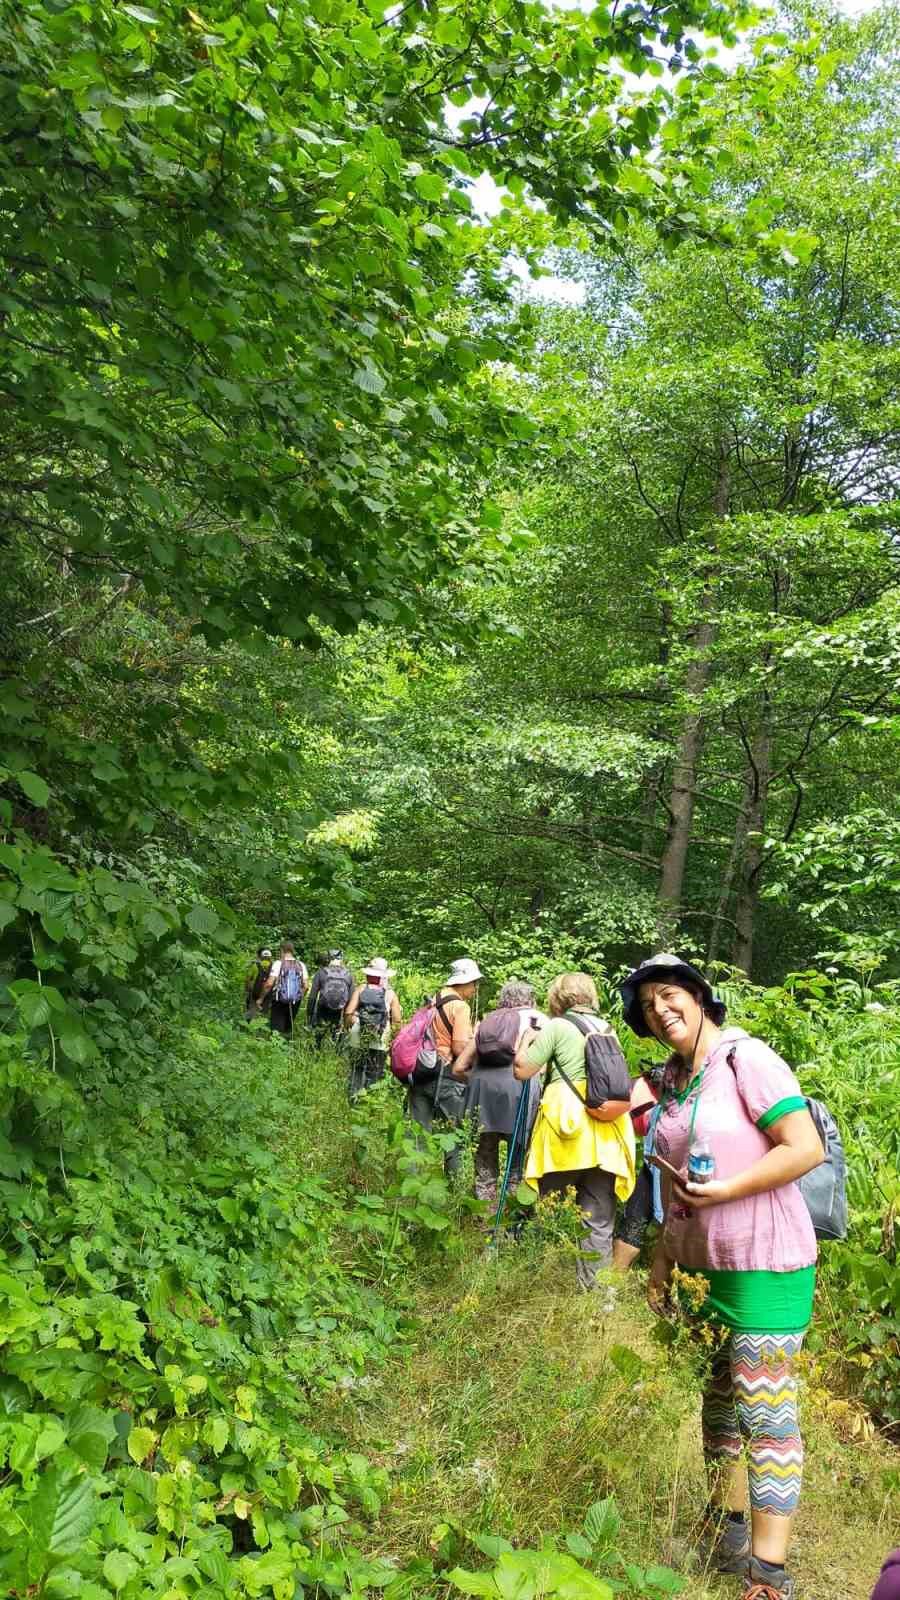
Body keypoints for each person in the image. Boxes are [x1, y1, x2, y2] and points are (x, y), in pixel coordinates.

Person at [619, 953, 825, 1600]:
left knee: (765, 1414)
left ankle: (768, 1575)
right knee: (718, 1411)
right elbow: (673, 1185)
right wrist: (661, 1261)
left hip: (765, 1266)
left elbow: (804, 1146)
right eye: (648, 1005)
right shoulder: (676, 1080)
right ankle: (724, 1528)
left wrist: (732, 1187)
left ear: (700, 995)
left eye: (669, 994)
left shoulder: (747, 1059)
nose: (660, 1009)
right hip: (702, 1273)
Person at [514, 972, 635, 1288]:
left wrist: (524, 1043)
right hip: (606, 1131)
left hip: (565, 1131)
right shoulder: (608, 1030)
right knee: (598, 1221)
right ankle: (595, 1294)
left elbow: (524, 1070)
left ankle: (535, 1282)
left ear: (558, 997)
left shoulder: (556, 1026)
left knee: (547, 1208)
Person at [452, 979, 548, 1219]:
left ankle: (484, 1217)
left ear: (504, 999)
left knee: (485, 1160)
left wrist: (479, 1081)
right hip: (521, 1093)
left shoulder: (490, 1021)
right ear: (531, 999)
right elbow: (546, 1068)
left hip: (483, 1094)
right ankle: (514, 1220)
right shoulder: (539, 1020)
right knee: (519, 1162)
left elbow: (459, 1067)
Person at [407, 957, 481, 1177]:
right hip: (446, 1076)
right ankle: (454, 1184)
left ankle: (411, 1183)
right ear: (464, 982)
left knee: (418, 1133)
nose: (475, 988)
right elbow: (458, 1047)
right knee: (454, 1135)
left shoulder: (433, 999)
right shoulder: (459, 1006)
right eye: (473, 983)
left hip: (421, 1070)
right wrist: (474, 1040)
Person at [612, 1062, 667, 1270]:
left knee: (641, 1221)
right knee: (637, 1220)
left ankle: (611, 1291)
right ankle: (612, 1289)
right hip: (656, 1154)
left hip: (663, 1153)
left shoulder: (622, 1089)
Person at [343, 958, 402, 1100]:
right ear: (384, 976)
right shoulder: (390, 994)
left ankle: (353, 1098)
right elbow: (397, 1020)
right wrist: (393, 1038)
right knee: (374, 1072)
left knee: (356, 1069)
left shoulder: (361, 989)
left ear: (368, 975)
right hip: (380, 1037)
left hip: (358, 1035)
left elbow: (348, 1012)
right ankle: (368, 1104)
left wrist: (348, 1027)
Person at [257, 940, 309, 1037]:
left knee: (276, 1029)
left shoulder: (278, 964)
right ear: (292, 951)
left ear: (282, 950)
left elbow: (269, 984)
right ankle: (287, 1046)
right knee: (288, 1029)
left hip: (279, 1000)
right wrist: (298, 996)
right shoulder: (301, 965)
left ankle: (275, 1048)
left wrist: (261, 999)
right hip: (294, 1002)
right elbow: (306, 986)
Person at [307, 949, 355, 1045]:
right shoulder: (348, 975)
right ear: (341, 959)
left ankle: (315, 1054)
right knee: (335, 1035)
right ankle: (335, 1053)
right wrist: (347, 1019)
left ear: (328, 959)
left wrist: (309, 1014)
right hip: (338, 1011)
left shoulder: (321, 972)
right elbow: (350, 999)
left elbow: (312, 996)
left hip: (322, 1008)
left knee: (318, 1036)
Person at [244, 946, 273, 1021]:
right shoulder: (274, 967)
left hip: (254, 994)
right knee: (263, 1015)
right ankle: (260, 1030)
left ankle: (248, 1028)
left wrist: (247, 990)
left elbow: (248, 979)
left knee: (251, 1013)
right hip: (267, 994)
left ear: (259, 956)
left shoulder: (254, 965)